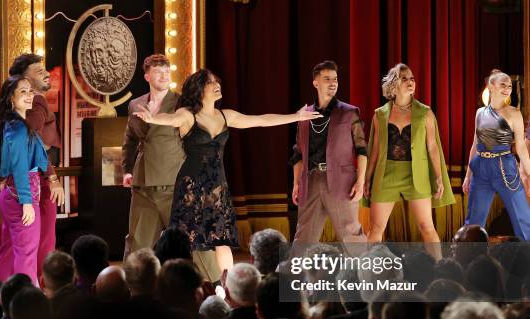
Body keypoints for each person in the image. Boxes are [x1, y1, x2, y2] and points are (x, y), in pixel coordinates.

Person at [134, 68, 321, 275]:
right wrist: (152, 119)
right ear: (199, 89)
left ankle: (229, 285)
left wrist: (296, 116)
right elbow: (170, 120)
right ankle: (177, 281)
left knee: (220, 239)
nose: (217, 85)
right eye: (210, 83)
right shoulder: (187, 115)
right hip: (191, 186)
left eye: (217, 81)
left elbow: (260, 120)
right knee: (187, 240)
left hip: (217, 187)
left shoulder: (226, 116)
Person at [122, 54, 219, 281]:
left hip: (174, 181)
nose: (164, 76)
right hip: (143, 183)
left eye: (167, 71)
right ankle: (132, 288)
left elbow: (196, 138)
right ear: (147, 76)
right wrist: (127, 170)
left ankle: (215, 286)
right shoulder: (135, 104)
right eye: (158, 72)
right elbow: (129, 140)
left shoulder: (181, 103)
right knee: (137, 240)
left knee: (192, 237)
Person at [364, 63, 454, 258]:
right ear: (394, 84)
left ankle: (440, 270)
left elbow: (432, 147)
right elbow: (376, 150)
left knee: (427, 227)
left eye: (412, 78)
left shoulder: (425, 112)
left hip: (416, 176)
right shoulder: (379, 114)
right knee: (376, 229)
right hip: (386, 174)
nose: (410, 82)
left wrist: (438, 177)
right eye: (404, 78)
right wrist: (367, 179)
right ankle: (368, 274)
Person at [0, 54, 64, 281]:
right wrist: (27, 201)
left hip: (20, 191)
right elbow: (21, 167)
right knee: (27, 252)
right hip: (23, 192)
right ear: (11, 98)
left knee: (14, 249)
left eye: (30, 92)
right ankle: (27, 300)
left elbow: (37, 154)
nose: (30, 95)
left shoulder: (16, 124)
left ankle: (2, 292)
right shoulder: (19, 127)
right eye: (24, 91)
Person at [290, 60, 367, 255]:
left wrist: (361, 181)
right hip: (311, 181)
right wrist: (296, 183)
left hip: (342, 182)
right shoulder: (304, 115)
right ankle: (293, 283)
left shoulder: (349, 112)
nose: (332, 83)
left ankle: (366, 282)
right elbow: (298, 153)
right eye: (327, 79)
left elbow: (362, 150)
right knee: (303, 239)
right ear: (316, 82)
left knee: (352, 238)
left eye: (335, 79)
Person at [463, 69, 530, 241]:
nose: (507, 88)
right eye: (503, 84)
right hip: (481, 167)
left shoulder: (514, 113)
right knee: (473, 222)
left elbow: (521, 147)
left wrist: (529, 172)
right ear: (491, 86)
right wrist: (467, 176)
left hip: (504, 167)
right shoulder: (480, 113)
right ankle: (470, 261)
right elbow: (475, 145)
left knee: (522, 218)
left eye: (509, 86)